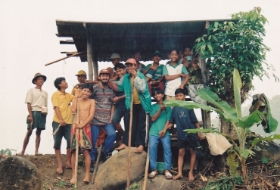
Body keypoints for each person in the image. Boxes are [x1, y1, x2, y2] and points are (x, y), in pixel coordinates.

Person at [112, 58, 152, 153]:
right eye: (128, 65)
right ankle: (126, 143)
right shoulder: (125, 77)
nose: (129, 67)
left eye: (131, 65)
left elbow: (142, 89)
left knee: (141, 125)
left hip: (142, 103)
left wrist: (136, 77)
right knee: (129, 124)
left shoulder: (141, 76)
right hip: (131, 104)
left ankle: (140, 144)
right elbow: (119, 86)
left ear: (135, 66)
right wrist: (109, 82)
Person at [169, 88, 202, 181]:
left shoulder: (189, 106)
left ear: (184, 96)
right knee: (180, 153)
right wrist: (165, 128)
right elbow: (172, 122)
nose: (178, 97)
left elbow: (195, 121)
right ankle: (179, 173)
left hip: (191, 133)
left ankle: (190, 172)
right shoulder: (174, 108)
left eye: (180, 95)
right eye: (177, 96)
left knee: (192, 151)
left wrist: (199, 131)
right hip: (181, 135)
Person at [90, 69, 116, 171]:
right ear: (99, 77)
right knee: (93, 139)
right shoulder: (94, 88)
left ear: (109, 78)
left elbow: (113, 105)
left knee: (112, 134)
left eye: (107, 76)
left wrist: (111, 118)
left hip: (107, 119)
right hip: (95, 120)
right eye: (103, 76)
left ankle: (105, 153)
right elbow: (89, 101)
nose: (105, 78)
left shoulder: (111, 89)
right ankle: (92, 160)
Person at [70, 83, 95, 184]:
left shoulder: (92, 101)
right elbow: (73, 110)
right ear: (81, 90)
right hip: (75, 126)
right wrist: (75, 98)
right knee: (74, 151)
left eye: (88, 91)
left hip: (86, 127)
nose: (85, 93)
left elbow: (91, 115)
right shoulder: (77, 100)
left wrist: (83, 125)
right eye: (84, 90)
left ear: (90, 93)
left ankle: (87, 175)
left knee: (86, 151)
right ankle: (74, 175)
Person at [18, 73, 48, 156]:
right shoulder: (31, 90)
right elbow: (28, 103)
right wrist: (30, 115)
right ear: (35, 81)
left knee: (39, 132)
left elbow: (45, 105)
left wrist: (45, 113)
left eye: (42, 79)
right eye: (39, 79)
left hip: (41, 112)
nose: (41, 80)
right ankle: (23, 151)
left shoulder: (45, 93)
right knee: (29, 131)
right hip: (34, 111)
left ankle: (36, 151)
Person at [148, 88, 173, 180]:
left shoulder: (168, 107)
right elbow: (153, 119)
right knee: (152, 149)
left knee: (167, 149)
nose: (156, 96)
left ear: (162, 95)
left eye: (158, 94)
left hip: (165, 132)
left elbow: (168, 120)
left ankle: (167, 170)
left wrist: (164, 130)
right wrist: (160, 110)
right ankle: (154, 169)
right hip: (153, 132)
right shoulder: (153, 107)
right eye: (155, 94)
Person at [51, 77, 73, 174]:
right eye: (64, 81)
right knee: (57, 143)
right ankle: (60, 165)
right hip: (58, 122)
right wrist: (61, 119)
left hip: (69, 122)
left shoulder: (68, 95)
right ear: (59, 84)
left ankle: (68, 162)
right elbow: (56, 108)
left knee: (70, 141)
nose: (66, 82)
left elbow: (77, 97)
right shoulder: (55, 94)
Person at [111, 63, 126, 146]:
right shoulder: (117, 80)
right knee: (115, 120)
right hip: (120, 104)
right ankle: (123, 134)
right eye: (117, 71)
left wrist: (118, 98)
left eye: (120, 70)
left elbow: (128, 93)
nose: (118, 72)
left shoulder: (127, 78)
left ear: (124, 70)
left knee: (127, 123)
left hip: (127, 104)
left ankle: (126, 139)